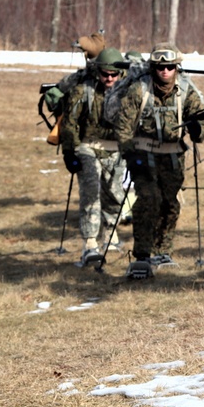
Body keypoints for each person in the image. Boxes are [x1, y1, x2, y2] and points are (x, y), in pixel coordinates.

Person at [114, 42, 204, 278]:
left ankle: (163, 251)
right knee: (148, 200)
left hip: (172, 158)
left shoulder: (186, 91)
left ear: (177, 68)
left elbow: (203, 127)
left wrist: (198, 128)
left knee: (170, 204)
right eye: (160, 67)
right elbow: (123, 125)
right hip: (143, 155)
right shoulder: (139, 90)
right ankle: (143, 255)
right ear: (153, 68)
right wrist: (129, 153)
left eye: (169, 67)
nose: (165, 71)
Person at [59, 47, 129, 266]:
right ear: (97, 72)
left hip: (117, 149)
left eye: (113, 75)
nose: (109, 78)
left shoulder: (130, 92)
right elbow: (70, 123)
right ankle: (90, 243)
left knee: (115, 195)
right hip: (87, 147)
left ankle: (110, 234)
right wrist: (69, 152)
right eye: (104, 74)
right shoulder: (83, 91)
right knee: (91, 193)